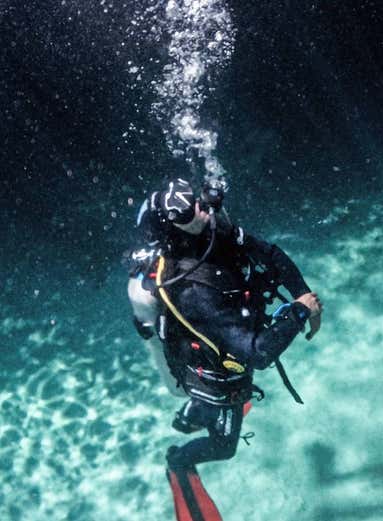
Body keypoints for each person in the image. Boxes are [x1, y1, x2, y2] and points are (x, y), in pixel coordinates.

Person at [127, 177, 322, 520]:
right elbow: (258, 353)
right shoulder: (194, 291)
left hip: (216, 353)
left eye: (199, 200)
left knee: (209, 398)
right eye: (191, 209)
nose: (203, 208)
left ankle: (188, 417)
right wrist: (300, 310)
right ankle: (179, 460)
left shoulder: (210, 231)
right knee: (224, 447)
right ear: (175, 225)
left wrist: (301, 292)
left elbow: (269, 253)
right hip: (216, 376)